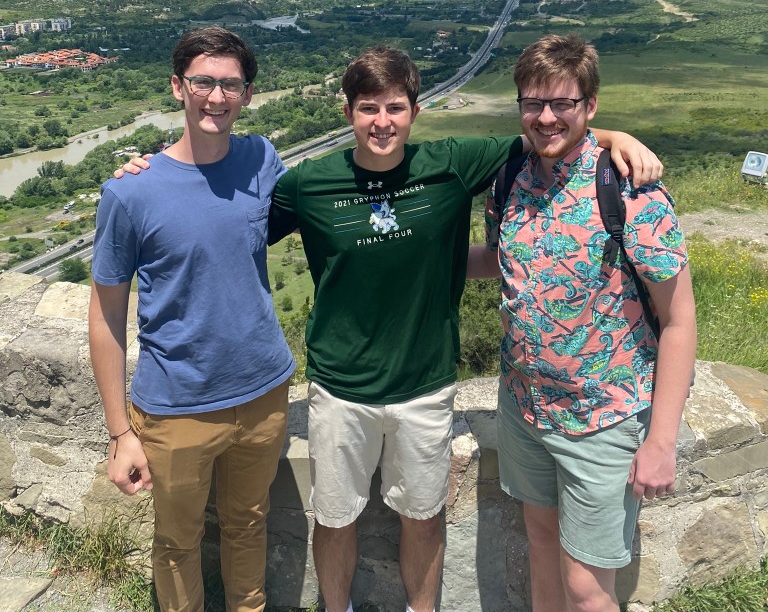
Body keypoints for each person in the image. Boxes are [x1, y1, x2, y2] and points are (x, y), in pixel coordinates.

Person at [117, 44, 660, 612]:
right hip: (338, 389)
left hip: (425, 387)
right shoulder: (309, 184)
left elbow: (548, 132)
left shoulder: (450, 164)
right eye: (369, 108)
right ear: (347, 111)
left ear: (415, 111)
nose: (382, 122)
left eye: (395, 108)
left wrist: (617, 138)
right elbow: (225, 215)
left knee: (424, 520)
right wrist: (153, 173)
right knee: (333, 520)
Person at [468, 34, 696, 612]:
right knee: (542, 546)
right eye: (533, 103)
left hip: (602, 418)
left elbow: (678, 322)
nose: (545, 118)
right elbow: (504, 260)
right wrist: (415, 258)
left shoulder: (630, 191)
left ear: (590, 105)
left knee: (588, 589)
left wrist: (661, 441)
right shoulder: (511, 178)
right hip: (525, 408)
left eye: (562, 104)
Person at [89, 27, 295, 612]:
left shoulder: (262, 158)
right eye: (203, 81)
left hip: (262, 391)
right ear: (177, 87)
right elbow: (106, 314)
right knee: (177, 543)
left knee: (248, 525)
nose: (216, 96)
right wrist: (118, 433)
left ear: (247, 95)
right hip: (176, 406)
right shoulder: (130, 193)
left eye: (230, 84)